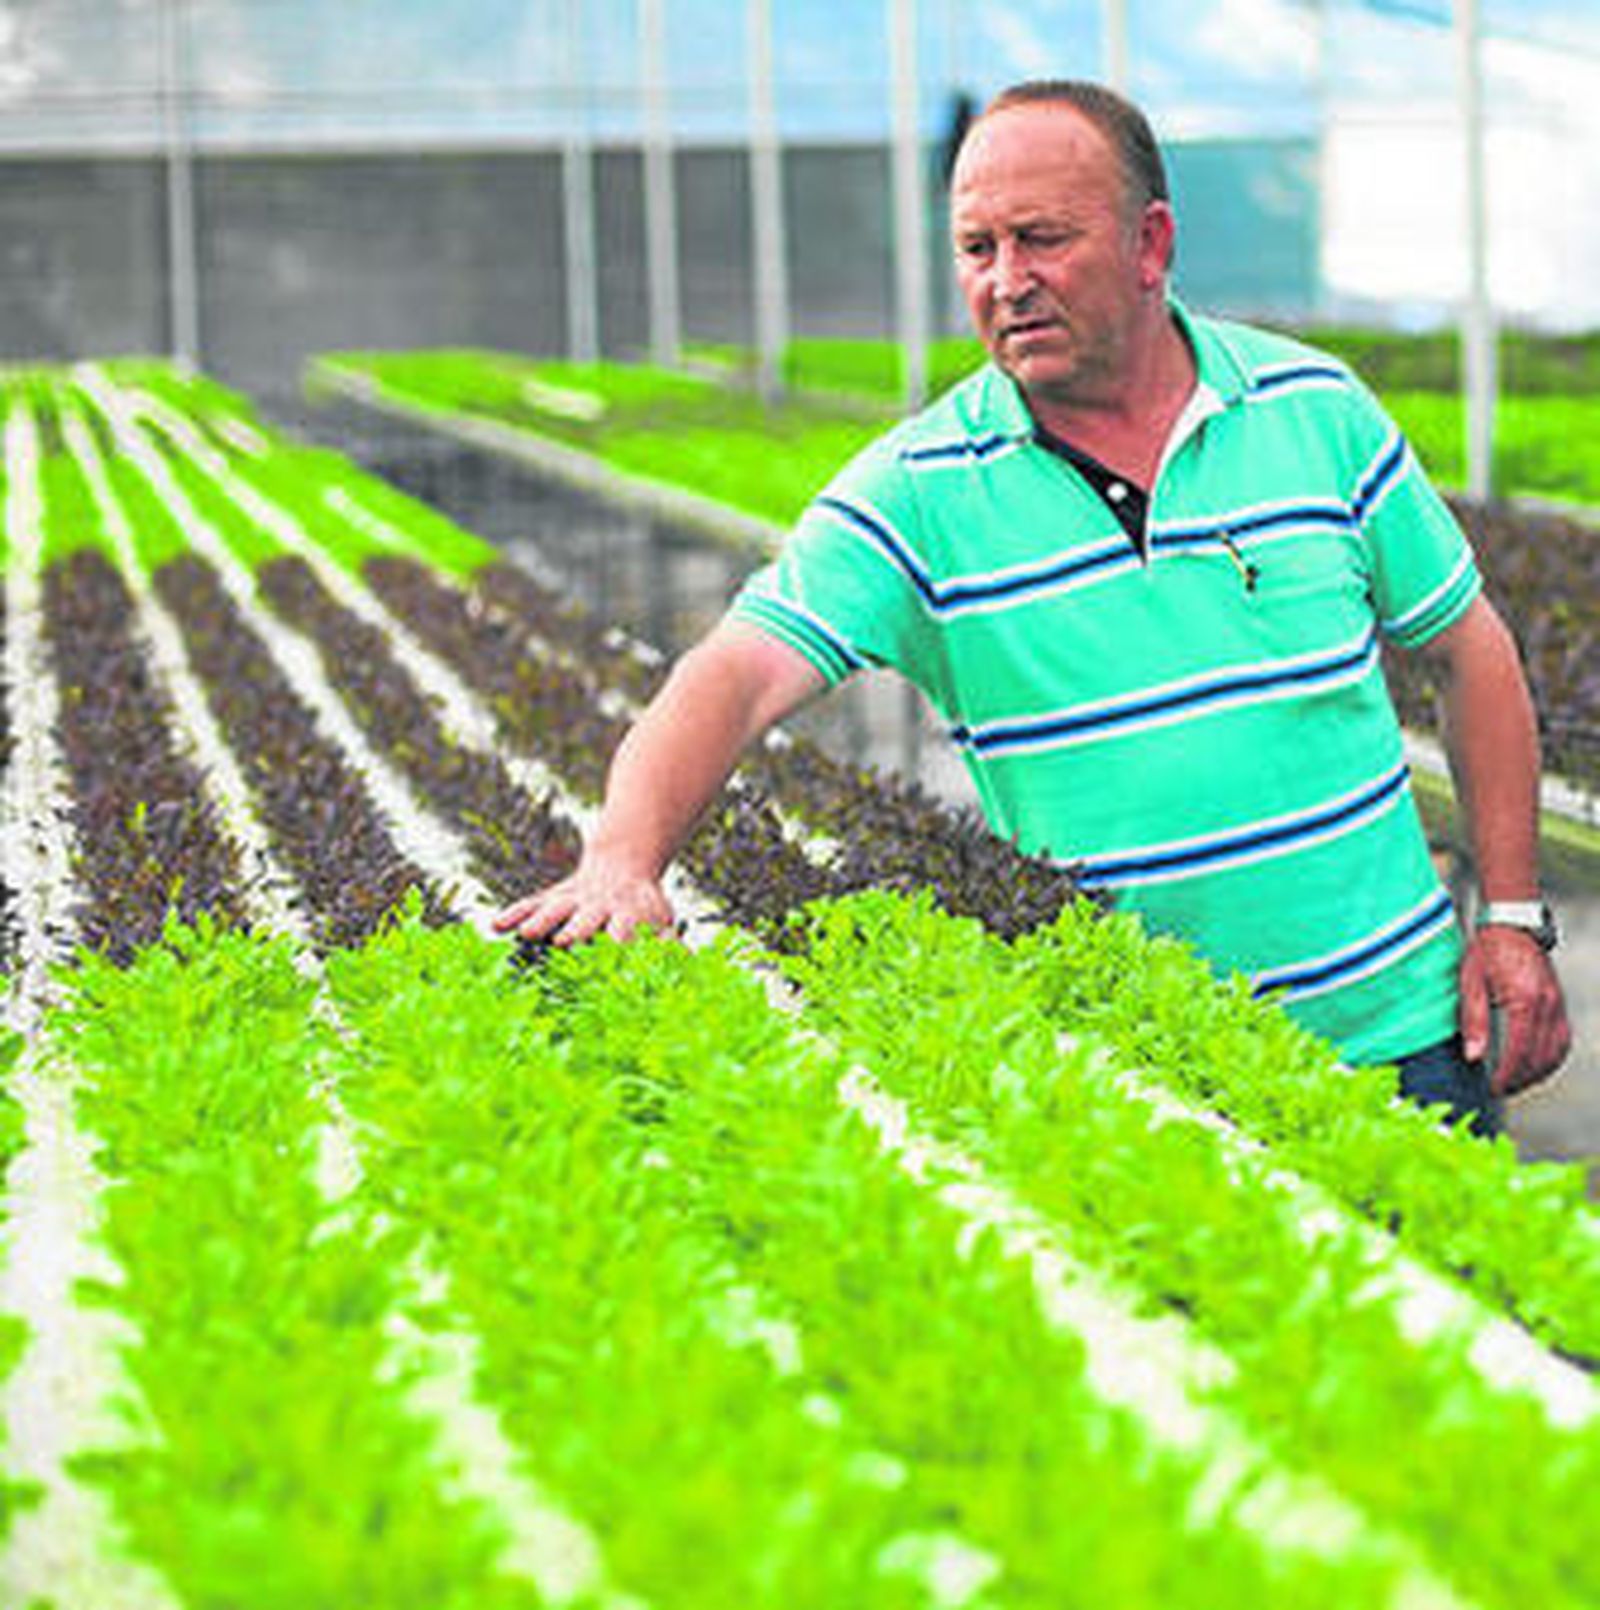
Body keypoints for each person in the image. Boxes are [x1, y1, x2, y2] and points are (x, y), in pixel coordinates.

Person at [496, 79, 1571, 1129]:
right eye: (977, 248)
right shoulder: (919, 490)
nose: (1007, 279)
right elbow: (732, 676)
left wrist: (1513, 918)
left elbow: (1471, 650)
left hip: (1405, 1039)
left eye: (1042, 238)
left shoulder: (1313, 410)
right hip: (1143, 1073)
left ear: (1151, 244)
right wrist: (622, 860)